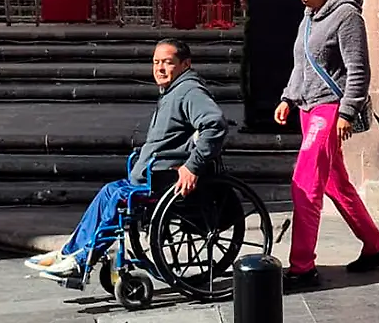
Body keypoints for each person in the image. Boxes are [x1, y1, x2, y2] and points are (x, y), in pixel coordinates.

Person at [25, 39, 229, 281]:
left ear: (185, 64)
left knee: (118, 199)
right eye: (156, 62)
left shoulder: (189, 91)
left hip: (165, 178)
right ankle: (70, 252)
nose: (159, 68)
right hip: (152, 175)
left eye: (167, 62)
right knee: (108, 192)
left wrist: (192, 167)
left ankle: (81, 261)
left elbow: (215, 124)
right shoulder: (173, 91)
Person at [274, 0, 379, 291]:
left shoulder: (346, 16)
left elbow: (358, 69)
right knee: (334, 182)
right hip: (307, 107)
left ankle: (302, 267)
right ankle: (375, 247)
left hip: (329, 110)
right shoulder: (309, 15)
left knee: (305, 183)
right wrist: (288, 98)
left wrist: (346, 112)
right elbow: (301, 63)